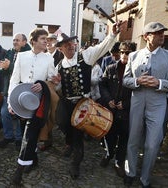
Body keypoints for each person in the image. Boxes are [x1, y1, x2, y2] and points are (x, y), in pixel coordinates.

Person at [52, 20, 124, 179]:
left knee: (78, 134)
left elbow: (102, 47)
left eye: (72, 42)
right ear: (60, 48)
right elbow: (59, 91)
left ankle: (75, 164)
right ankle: (69, 142)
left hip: (82, 103)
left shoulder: (85, 55)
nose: (71, 45)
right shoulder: (58, 66)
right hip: (66, 102)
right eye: (66, 44)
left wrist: (112, 34)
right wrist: (57, 85)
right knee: (62, 122)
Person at [123, 22, 168, 188]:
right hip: (137, 102)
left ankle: (145, 179)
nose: (162, 35)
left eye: (163, 32)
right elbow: (125, 80)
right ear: (146, 36)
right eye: (157, 33)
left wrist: (159, 83)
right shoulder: (133, 56)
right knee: (133, 140)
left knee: (152, 144)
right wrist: (137, 81)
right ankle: (130, 172)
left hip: (158, 104)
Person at [8, 28, 56, 185]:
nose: (46, 41)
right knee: (26, 134)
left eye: (46, 39)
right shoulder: (21, 56)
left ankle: (18, 172)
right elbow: (14, 80)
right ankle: (32, 159)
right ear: (33, 41)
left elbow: (53, 80)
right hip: (21, 100)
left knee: (29, 134)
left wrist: (47, 84)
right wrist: (11, 103)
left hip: (39, 103)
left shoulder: (49, 58)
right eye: (42, 38)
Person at [99, 41, 136, 178]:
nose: (124, 55)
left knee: (124, 138)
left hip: (126, 112)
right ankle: (109, 154)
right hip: (111, 111)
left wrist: (126, 104)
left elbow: (139, 93)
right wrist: (108, 99)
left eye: (128, 52)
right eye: (122, 52)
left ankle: (119, 162)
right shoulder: (110, 68)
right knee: (108, 135)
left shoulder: (136, 72)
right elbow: (102, 85)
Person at [0, 33, 31, 149]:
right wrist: (2, 68)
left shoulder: (29, 54)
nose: (14, 42)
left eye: (17, 40)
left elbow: (22, 71)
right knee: (4, 113)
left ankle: (19, 139)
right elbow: (0, 68)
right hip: (8, 90)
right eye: (14, 40)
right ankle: (8, 136)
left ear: (24, 42)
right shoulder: (9, 52)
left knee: (18, 116)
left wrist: (9, 67)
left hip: (21, 90)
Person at [37, 33, 64, 151]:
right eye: (46, 40)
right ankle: (48, 139)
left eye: (51, 40)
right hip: (45, 89)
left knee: (58, 116)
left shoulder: (61, 56)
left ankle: (68, 141)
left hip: (59, 90)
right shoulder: (43, 55)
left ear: (56, 42)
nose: (48, 42)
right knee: (46, 115)